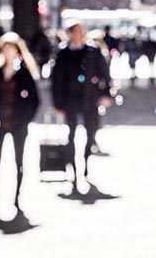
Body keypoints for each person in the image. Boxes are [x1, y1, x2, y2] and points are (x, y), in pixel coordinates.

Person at [0, 32, 40, 209]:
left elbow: (35, 100)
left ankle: (17, 196)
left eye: (10, 49)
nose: (7, 52)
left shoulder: (24, 74)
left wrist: (26, 119)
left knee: (18, 161)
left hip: (17, 123)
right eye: (4, 49)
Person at [52, 20, 113, 190]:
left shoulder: (93, 51)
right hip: (70, 99)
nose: (80, 34)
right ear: (70, 34)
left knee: (90, 132)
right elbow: (56, 80)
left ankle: (84, 166)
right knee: (70, 134)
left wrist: (107, 93)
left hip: (89, 98)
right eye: (77, 31)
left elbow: (104, 73)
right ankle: (70, 165)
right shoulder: (63, 53)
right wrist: (57, 103)